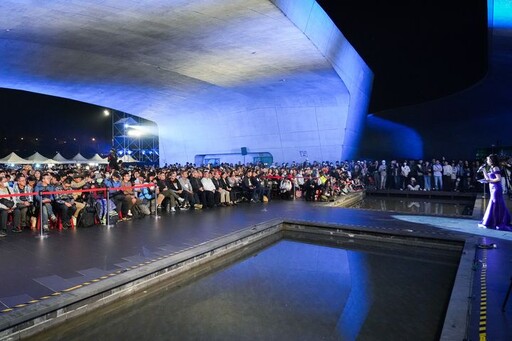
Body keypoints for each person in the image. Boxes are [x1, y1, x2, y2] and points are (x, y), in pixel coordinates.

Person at [478, 154, 512, 231]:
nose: (487, 161)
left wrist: (490, 181)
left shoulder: (495, 168)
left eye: (488, 160)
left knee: (496, 203)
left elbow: (498, 179)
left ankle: (497, 221)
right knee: (494, 203)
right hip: (492, 188)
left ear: (491, 160)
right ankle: (494, 220)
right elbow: (487, 178)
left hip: (496, 188)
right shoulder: (491, 168)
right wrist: (483, 170)